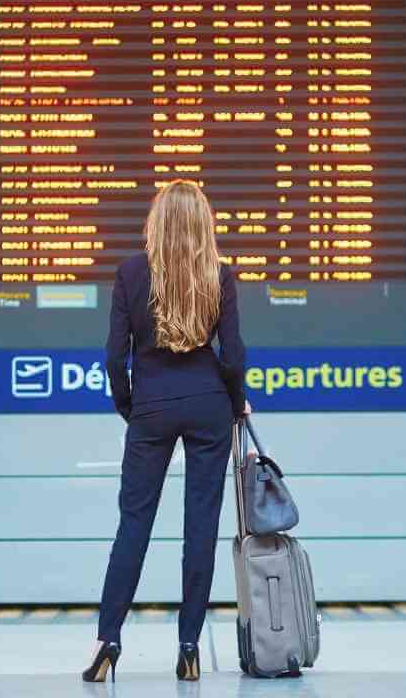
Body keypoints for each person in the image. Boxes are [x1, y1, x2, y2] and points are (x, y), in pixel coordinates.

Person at [82, 180, 249, 683]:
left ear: (156, 222)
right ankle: (190, 647)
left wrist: (130, 406)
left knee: (133, 524)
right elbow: (235, 355)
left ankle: (109, 640)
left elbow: (114, 356)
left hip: (151, 407)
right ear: (204, 223)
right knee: (200, 527)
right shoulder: (219, 276)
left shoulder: (131, 273)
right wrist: (236, 403)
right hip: (208, 408)